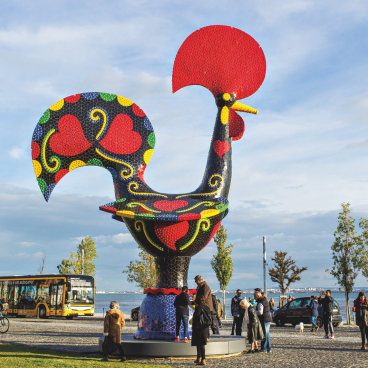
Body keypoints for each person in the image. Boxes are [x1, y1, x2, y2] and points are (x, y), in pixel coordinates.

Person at [192, 295, 210, 365]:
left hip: (198, 327)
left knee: (199, 344)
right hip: (205, 327)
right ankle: (200, 358)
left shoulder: (198, 308)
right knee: (202, 343)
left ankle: (202, 359)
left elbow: (195, 318)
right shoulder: (207, 308)